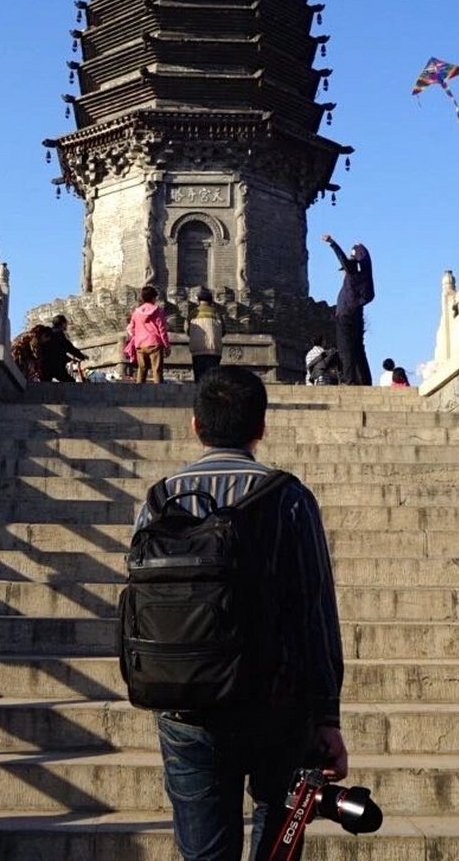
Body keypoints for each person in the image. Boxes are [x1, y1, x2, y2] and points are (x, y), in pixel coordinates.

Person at [141, 368, 347, 861]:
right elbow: (315, 609)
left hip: (186, 703)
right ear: (261, 427)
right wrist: (327, 715)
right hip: (277, 700)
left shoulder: (159, 500)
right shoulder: (289, 498)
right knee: (277, 842)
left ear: (195, 425)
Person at [319, 234, 373, 386]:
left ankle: (349, 381)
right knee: (358, 350)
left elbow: (343, 259)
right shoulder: (364, 275)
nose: (342, 272)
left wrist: (332, 243)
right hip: (356, 316)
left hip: (345, 316)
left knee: (346, 349)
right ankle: (365, 381)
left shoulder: (353, 274)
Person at [128, 285, 170, 383]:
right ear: (153, 298)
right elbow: (162, 329)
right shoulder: (157, 311)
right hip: (154, 344)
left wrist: (136, 336)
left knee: (141, 370)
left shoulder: (136, 312)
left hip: (140, 345)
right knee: (157, 370)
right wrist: (166, 345)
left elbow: (130, 328)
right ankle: (158, 393)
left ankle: (139, 393)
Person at [187, 290, 225, 381]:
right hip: (214, 350)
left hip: (198, 350)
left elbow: (187, 330)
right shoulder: (216, 313)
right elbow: (223, 331)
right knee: (211, 378)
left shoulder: (193, 313)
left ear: (198, 301)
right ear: (211, 301)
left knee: (199, 377)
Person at [40, 314, 89, 383]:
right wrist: (82, 356)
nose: (67, 325)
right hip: (56, 366)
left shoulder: (48, 334)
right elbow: (69, 348)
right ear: (63, 324)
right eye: (66, 323)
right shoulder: (59, 334)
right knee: (70, 383)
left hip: (45, 365)